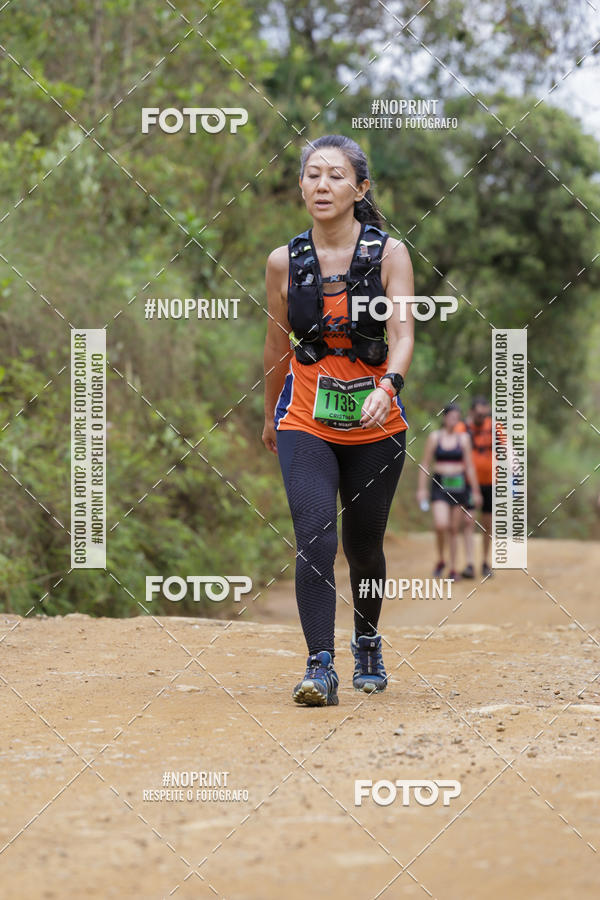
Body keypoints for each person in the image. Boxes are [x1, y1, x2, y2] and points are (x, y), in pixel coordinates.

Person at [262, 134, 414, 706]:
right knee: (314, 538)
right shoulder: (284, 262)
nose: (322, 185)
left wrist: (388, 384)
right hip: (306, 420)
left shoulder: (388, 255)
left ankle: (368, 641)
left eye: (335, 176)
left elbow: (402, 337)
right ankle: (320, 665)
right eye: (312, 175)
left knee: (365, 545)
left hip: (377, 425)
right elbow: (276, 347)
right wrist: (271, 415)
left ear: (360, 188)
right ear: (301, 185)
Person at [417, 404, 481, 581]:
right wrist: (421, 489)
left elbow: (469, 466)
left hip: (459, 486)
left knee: (454, 528)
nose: (454, 420)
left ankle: (453, 568)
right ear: (444, 418)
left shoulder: (464, 439)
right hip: (440, 485)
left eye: (457, 417)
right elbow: (425, 463)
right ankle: (440, 559)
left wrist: (475, 491)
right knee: (441, 524)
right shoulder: (435, 437)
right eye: (451, 417)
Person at [457, 396, 495, 578]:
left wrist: (516, 471)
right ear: (472, 412)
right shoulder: (462, 428)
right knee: (469, 521)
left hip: (490, 483)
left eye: (484, 415)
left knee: (488, 524)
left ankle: (486, 562)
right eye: (479, 415)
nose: (482, 418)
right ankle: (470, 563)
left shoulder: (493, 427)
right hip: (469, 483)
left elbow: (508, 448)